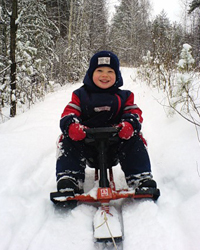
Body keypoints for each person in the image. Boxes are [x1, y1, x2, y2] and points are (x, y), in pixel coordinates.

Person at [56, 51, 157, 195]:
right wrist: (72, 126)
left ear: (117, 75)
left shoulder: (124, 96)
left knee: (135, 138)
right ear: (91, 73)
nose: (105, 75)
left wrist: (129, 125)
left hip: (116, 144)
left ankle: (139, 177)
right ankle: (70, 178)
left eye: (110, 71)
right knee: (67, 139)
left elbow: (134, 113)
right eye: (100, 71)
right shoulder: (80, 95)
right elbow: (69, 113)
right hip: (87, 143)